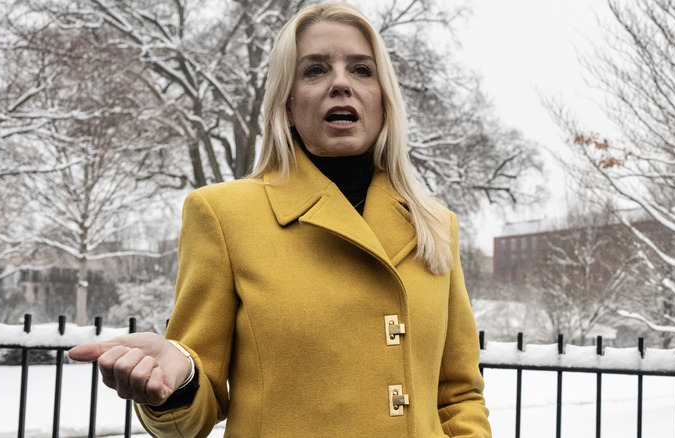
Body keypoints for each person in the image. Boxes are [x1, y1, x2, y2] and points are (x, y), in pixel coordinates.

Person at [69, 2, 491, 437]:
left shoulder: (434, 224)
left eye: (362, 70)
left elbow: (458, 395)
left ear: (384, 98)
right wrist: (180, 385)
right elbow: (197, 405)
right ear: (287, 104)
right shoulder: (222, 215)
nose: (341, 83)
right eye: (315, 70)